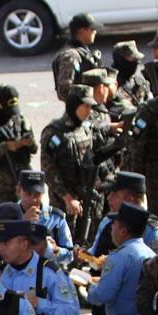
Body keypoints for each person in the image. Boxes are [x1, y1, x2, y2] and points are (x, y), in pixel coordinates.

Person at [42, 89, 100, 243]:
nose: (89, 111)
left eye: (90, 107)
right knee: (64, 244)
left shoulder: (86, 128)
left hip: (86, 198)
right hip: (64, 201)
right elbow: (48, 169)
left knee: (85, 245)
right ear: (74, 106)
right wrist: (67, 198)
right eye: (85, 106)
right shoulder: (55, 132)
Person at [52, 12, 104, 101]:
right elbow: (64, 91)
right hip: (79, 109)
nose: (95, 32)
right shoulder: (70, 55)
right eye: (92, 29)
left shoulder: (82, 50)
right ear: (82, 31)